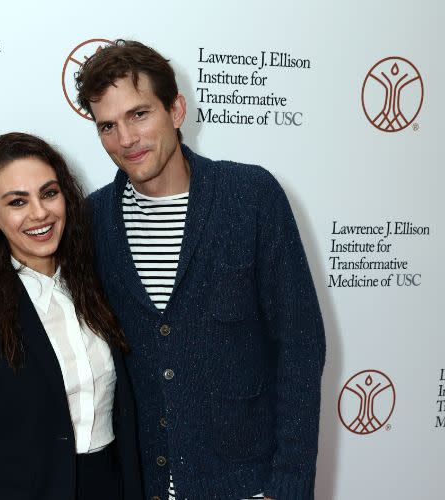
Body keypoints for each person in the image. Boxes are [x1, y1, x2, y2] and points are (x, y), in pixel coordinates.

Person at [75, 40, 326, 500]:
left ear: (176, 110)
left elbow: (300, 347)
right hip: (143, 482)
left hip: (246, 484)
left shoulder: (250, 196)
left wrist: (286, 486)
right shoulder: (93, 222)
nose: (125, 139)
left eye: (138, 115)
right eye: (107, 126)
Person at [0, 132, 144, 500]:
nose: (39, 213)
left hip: (109, 486)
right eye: (17, 201)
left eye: (49, 193)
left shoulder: (102, 288)